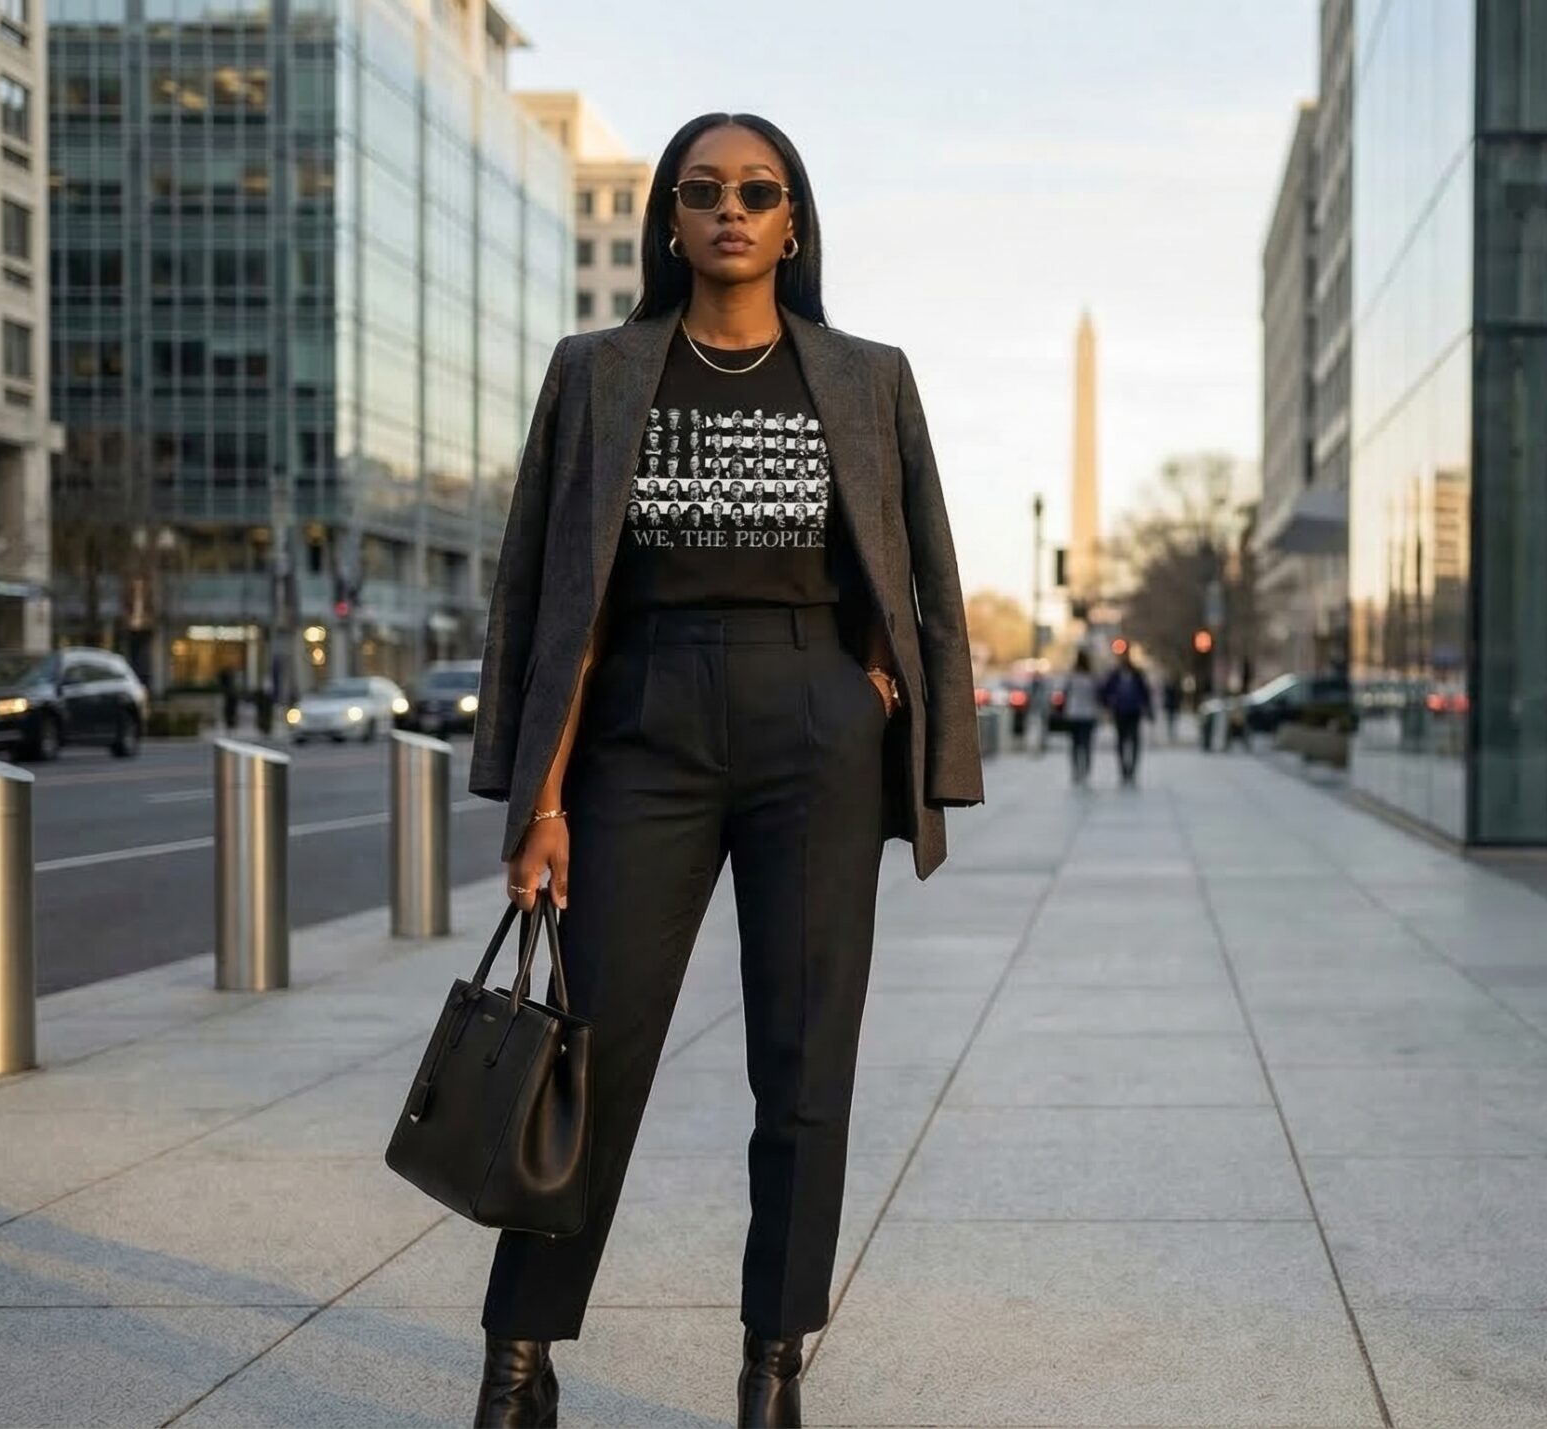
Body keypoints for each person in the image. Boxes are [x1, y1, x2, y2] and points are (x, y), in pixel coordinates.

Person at [465, 111, 982, 1429]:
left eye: (759, 192)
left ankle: (772, 1363)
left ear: (794, 222)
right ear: (673, 222)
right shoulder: (598, 371)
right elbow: (543, 587)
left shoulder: (867, 376)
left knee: (804, 1064)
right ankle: (519, 1358)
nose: (731, 211)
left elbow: (921, 568)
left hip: (813, 722)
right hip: (645, 717)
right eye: (704, 193)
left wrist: (874, 699)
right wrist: (540, 797)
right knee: (588, 1053)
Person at [1098, 649, 1151, 785]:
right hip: (1120, 712)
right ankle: (1124, 770)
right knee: (1122, 741)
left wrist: (1147, 708)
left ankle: (1131, 770)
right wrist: (1108, 704)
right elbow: (1105, 690)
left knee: (1134, 741)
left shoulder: (1136, 674)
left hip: (1133, 712)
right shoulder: (1115, 675)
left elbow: (1145, 692)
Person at [1058, 648, 1100, 785]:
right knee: (1086, 744)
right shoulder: (1092, 678)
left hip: (1074, 714)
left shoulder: (1072, 677)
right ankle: (1086, 770)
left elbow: (1063, 693)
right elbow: (1097, 695)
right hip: (1088, 715)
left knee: (1075, 745)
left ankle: (1076, 770)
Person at [1160, 671, 1182, 739]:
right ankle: (1170, 732)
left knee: (1173, 720)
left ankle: (1172, 732)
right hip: (1170, 705)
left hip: (1173, 705)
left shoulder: (1175, 687)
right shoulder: (1168, 686)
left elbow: (1178, 696)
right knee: (1170, 720)